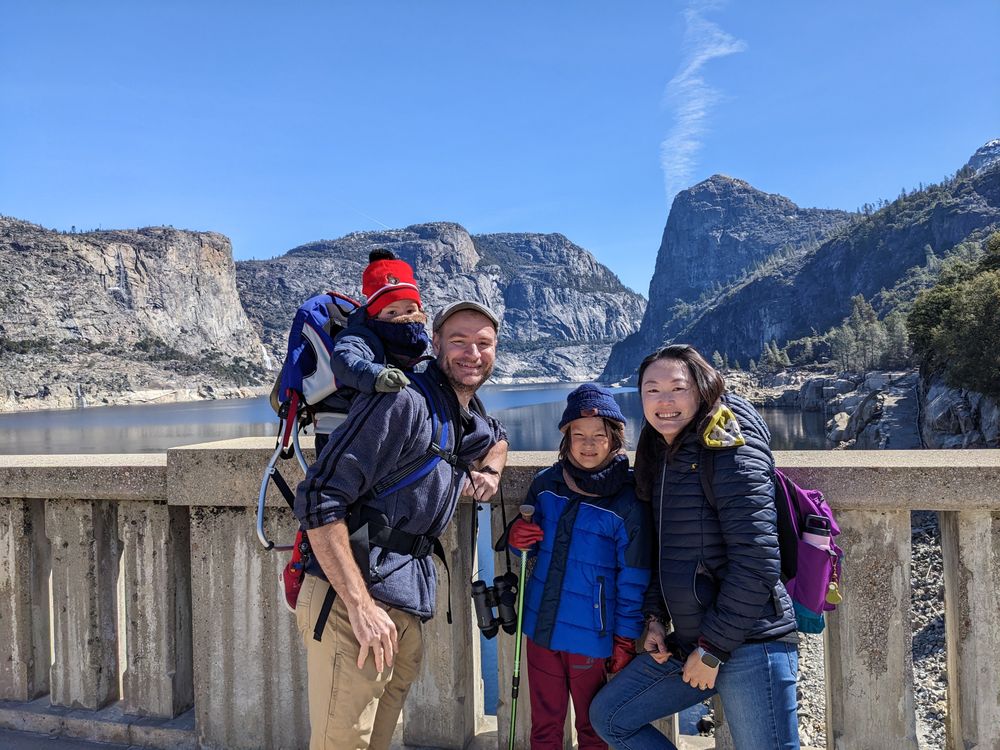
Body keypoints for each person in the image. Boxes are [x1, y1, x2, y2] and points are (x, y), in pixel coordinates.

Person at [293, 300, 509, 750]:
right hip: (352, 605)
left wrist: (491, 470)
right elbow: (319, 498)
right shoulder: (404, 402)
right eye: (459, 341)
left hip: (401, 606)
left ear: (495, 350)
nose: (472, 353)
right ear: (435, 345)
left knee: (377, 742)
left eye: (483, 343)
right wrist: (360, 607)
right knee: (343, 744)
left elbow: (497, 435)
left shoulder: (458, 413)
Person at [589, 344, 800, 750]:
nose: (664, 402)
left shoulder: (728, 447)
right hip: (691, 642)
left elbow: (757, 562)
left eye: (677, 389)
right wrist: (653, 617)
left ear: (702, 390)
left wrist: (713, 651)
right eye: (651, 390)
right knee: (611, 717)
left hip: (750, 643)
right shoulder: (660, 451)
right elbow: (662, 548)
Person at [508, 384, 652, 750]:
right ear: (566, 438)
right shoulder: (546, 485)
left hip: (594, 638)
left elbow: (633, 580)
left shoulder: (628, 500)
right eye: (578, 435)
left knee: (593, 730)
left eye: (598, 436)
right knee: (544, 726)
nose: (588, 445)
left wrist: (624, 640)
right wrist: (517, 536)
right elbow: (528, 541)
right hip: (541, 628)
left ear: (615, 438)